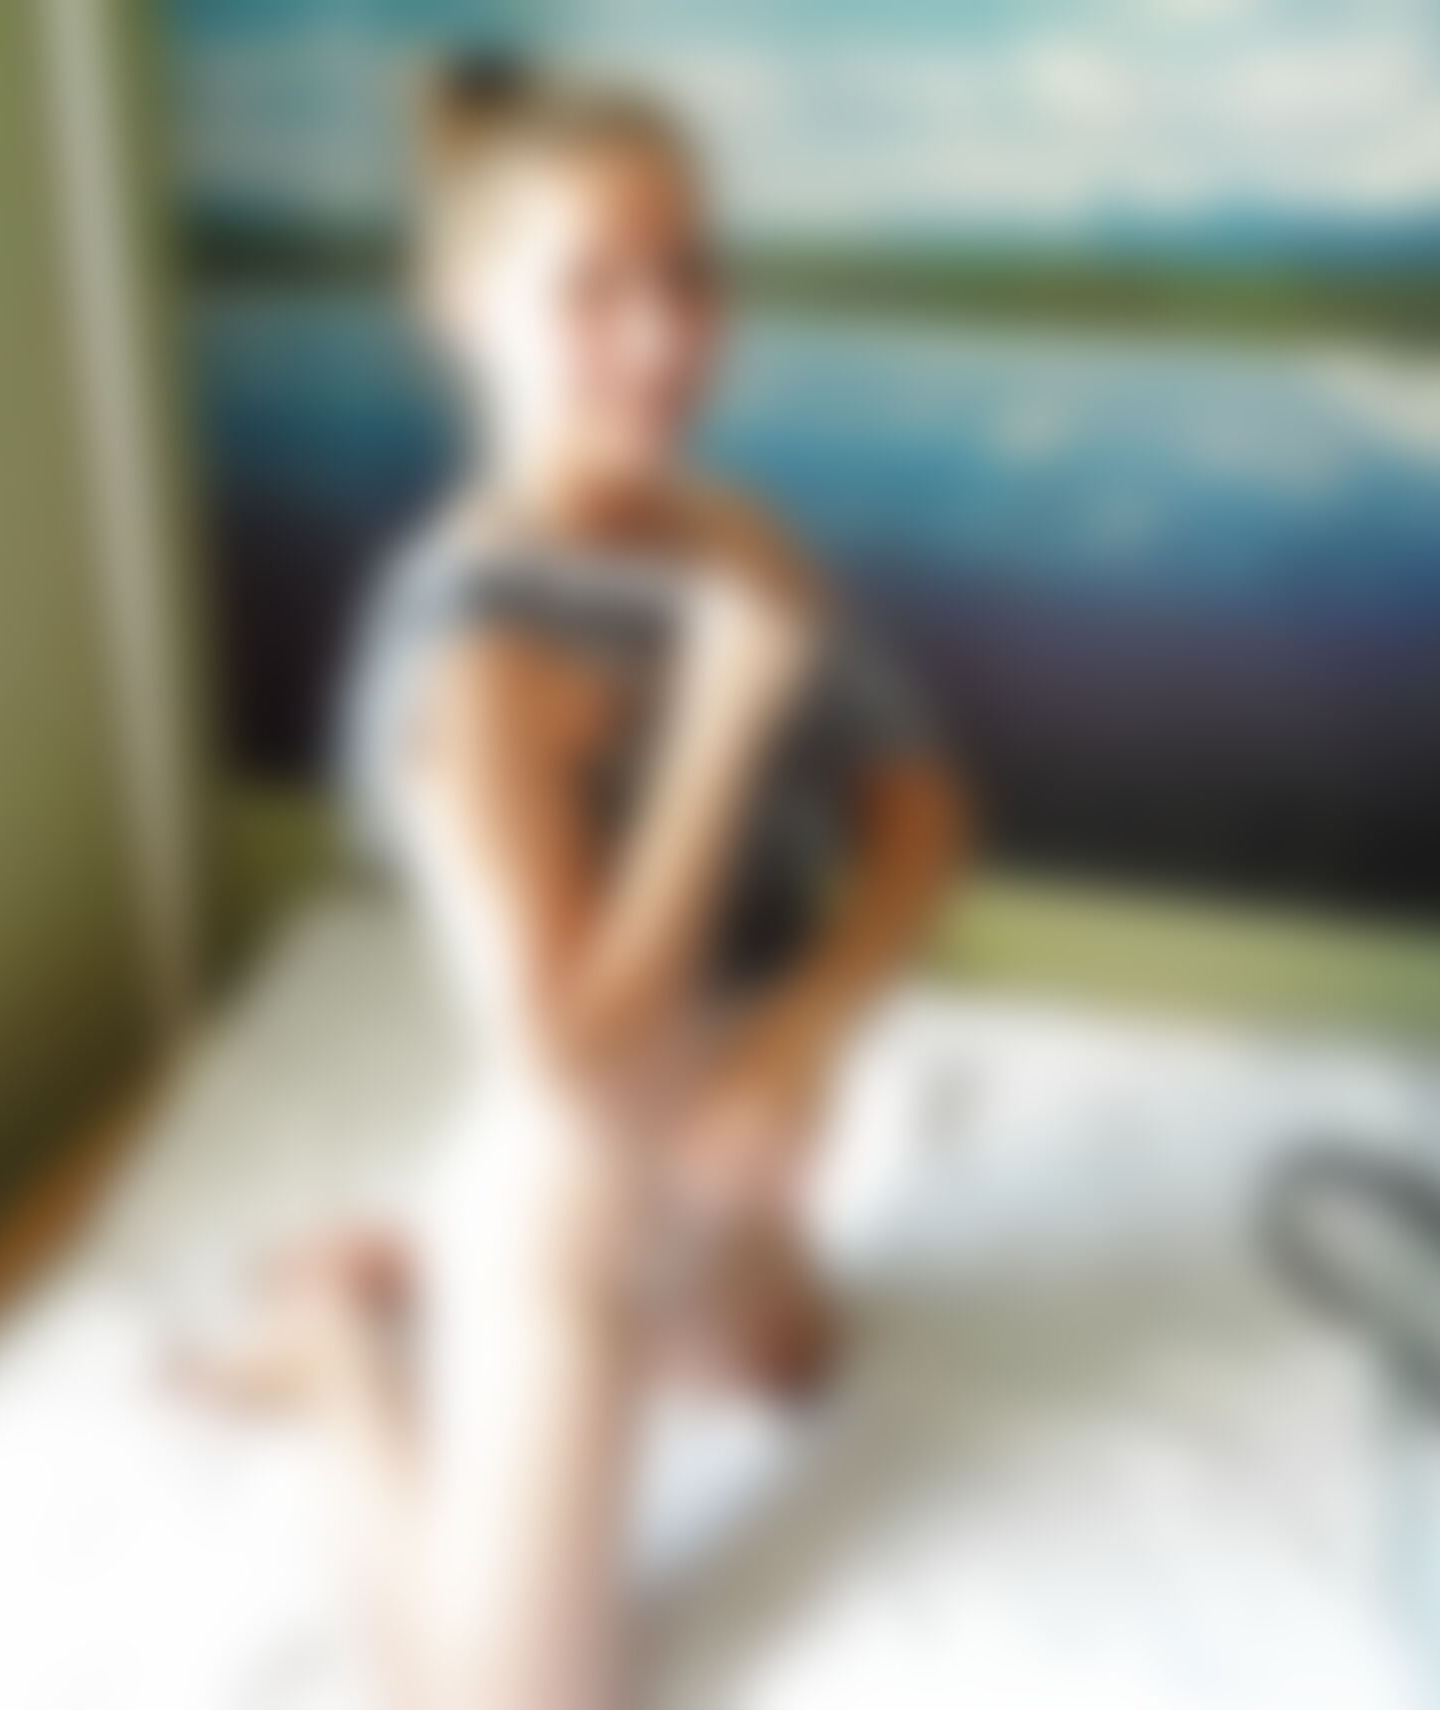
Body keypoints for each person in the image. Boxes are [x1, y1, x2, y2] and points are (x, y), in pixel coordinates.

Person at [174, 58, 965, 1710]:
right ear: (466, 309)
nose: (661, 337)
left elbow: (919, 813)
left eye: (686, 275)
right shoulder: (468, 638)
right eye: (592, 289)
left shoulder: (737, 543)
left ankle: (409, 1256)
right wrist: (718, 726)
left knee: (789, 1370)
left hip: (726, 1155)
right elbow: (568, 1052)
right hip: (580, 1184)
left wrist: (798, 1036)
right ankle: (344, 1353)